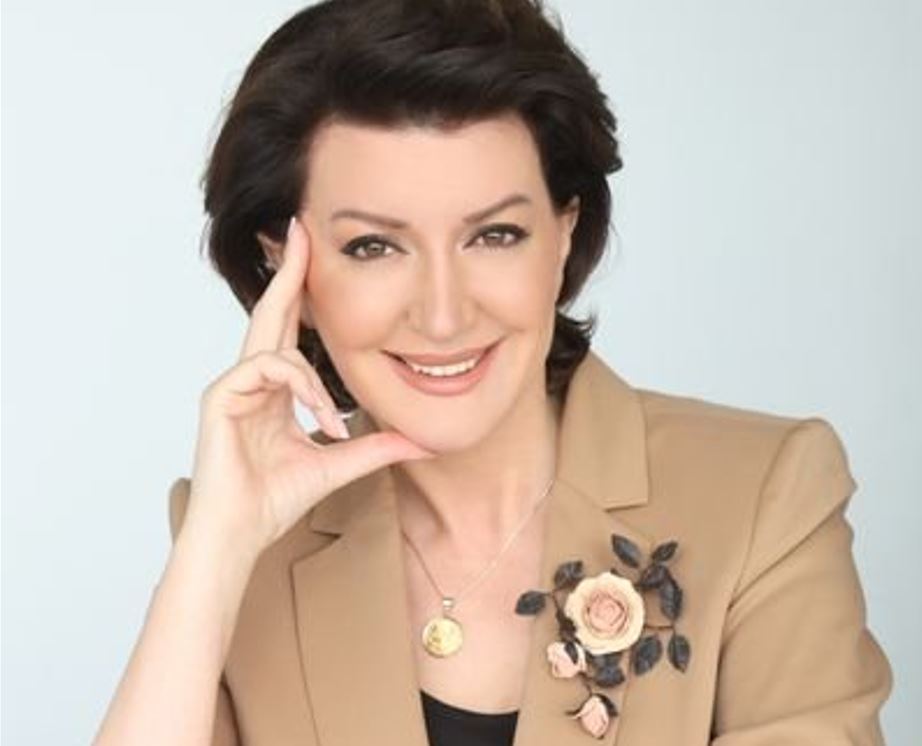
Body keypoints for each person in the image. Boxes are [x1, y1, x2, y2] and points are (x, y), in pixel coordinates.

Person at [93, 1, 893, 744]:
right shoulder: (242, 543)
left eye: (494, 236)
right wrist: (217, 546)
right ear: (286, 269)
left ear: (563, 235)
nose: (443, 315)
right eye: (374, 246)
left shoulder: (764, 495)